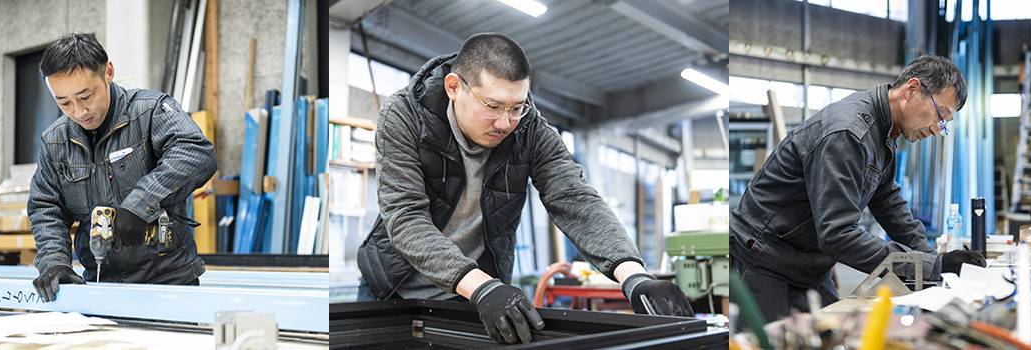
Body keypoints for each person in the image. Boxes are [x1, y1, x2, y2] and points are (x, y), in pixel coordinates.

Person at [356, 33, 693, 344]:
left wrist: (634, 276)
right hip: (394, 290)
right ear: (454, 86)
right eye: (493, 106)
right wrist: (483, 287)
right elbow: (406, 218)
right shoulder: (403, 117)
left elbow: (575, 199)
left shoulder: (528, 129)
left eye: (516, 107)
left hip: (473, 297)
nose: (505, 123)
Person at [726, 55, 987, 322]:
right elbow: (837, 233)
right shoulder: (849, 133)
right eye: (940, 115)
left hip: (806, 263)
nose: (936, 129)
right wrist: (928, 266)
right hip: (765, 261)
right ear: (912, 89)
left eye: (944, 124)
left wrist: (932, 259)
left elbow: (886, 199)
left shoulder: (885, 130)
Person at [27, 33, 216, 302]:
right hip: (100, 286)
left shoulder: (150, 112)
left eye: (85, 96)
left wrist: (141, 204)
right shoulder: (55, 141)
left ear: (109, 72)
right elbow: (46, 207)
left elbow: (196, 152)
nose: (79, 111)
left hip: (170, 286)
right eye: (64, 103)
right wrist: (55, 262)